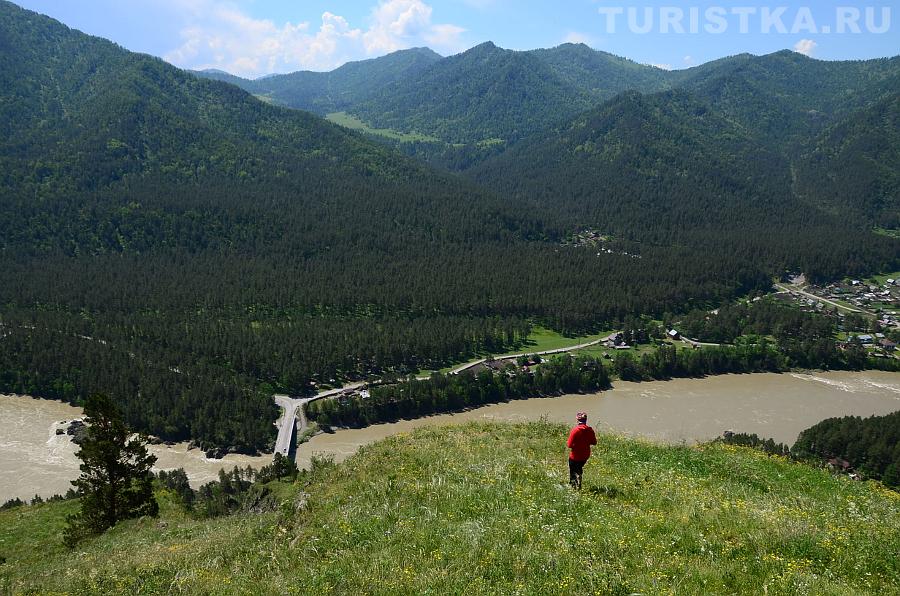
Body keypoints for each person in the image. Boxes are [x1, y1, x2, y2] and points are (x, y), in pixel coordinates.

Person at [567, 412, 597, 489]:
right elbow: (594, 442)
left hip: (575, 456)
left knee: (573, 471)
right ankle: (579, 480)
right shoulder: (590, 430)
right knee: (579, 468)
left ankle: (574, 486)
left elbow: (569, 445)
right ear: (586, 420)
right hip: (585, 455)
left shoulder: (575, 430)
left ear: (577, 420)